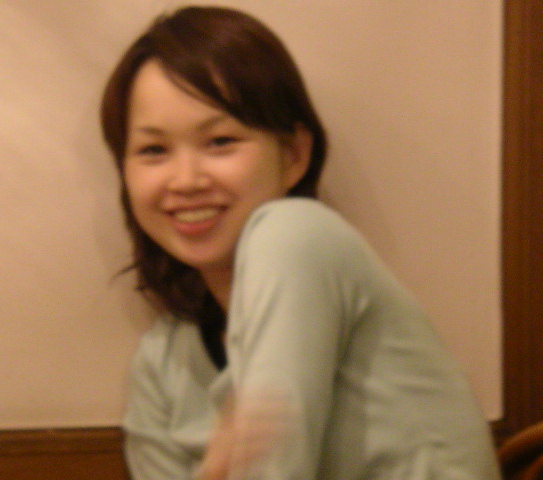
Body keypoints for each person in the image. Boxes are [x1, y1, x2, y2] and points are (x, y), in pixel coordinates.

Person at [100, 5, 500, 480]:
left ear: (293, 155)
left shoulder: (294, 234)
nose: (186, 180)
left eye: (220, 141)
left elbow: (276, 469)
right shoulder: (162, 363)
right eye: (153, 150)